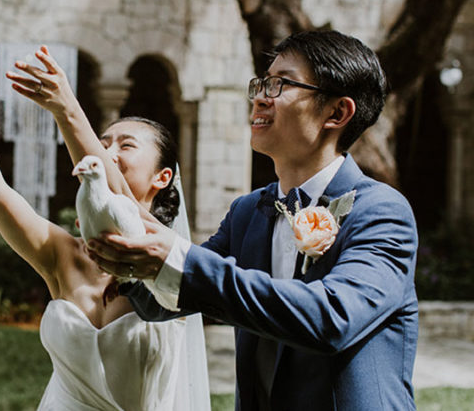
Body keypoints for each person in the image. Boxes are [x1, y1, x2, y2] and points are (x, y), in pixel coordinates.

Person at [86, 30, 419, 410]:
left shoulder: (380, 212)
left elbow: (333, 317)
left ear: (337, 112)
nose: (260, 97)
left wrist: (176, 260)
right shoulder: (248, 212)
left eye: (279, 85)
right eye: (261, 83)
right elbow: (168, 299)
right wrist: (127, 252)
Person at [0, 39, 210, 410]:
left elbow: (117, 193)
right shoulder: (63, 255)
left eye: (125, 146)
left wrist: (67, 109)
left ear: (162, 177)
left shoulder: (172, 263)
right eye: (102, 142)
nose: (106, 152)